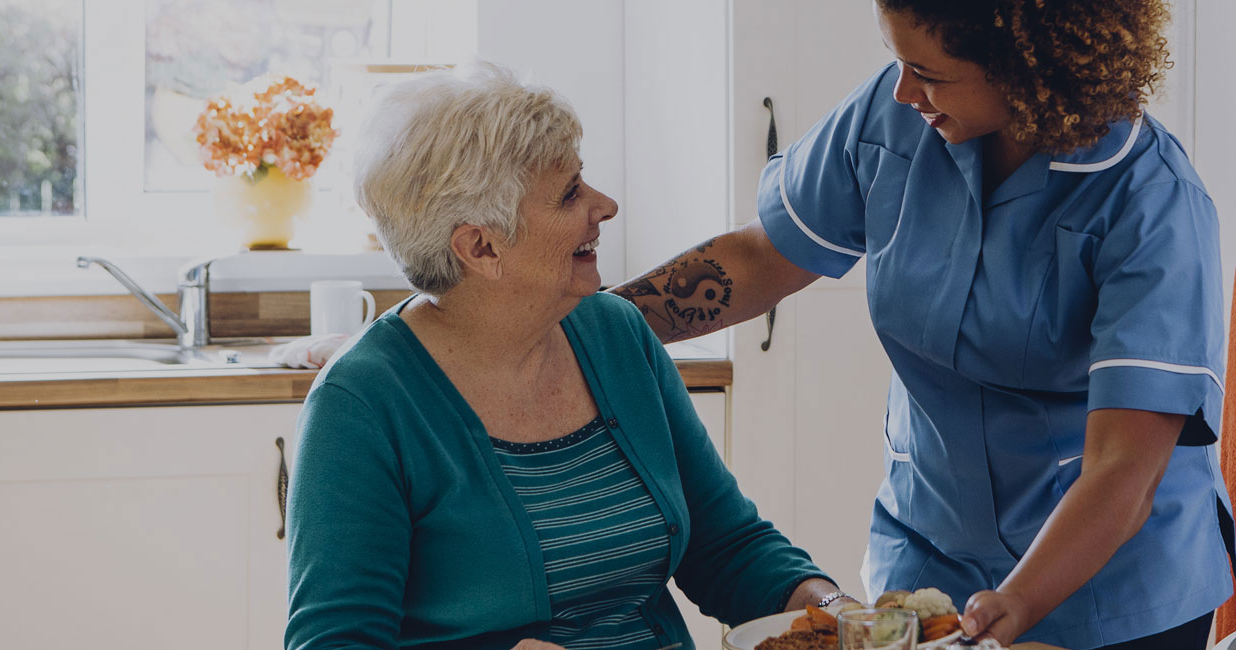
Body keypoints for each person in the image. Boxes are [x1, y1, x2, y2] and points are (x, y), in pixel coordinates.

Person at [611, 2, 1233, 649]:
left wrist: (1019, 600)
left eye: (928, 73)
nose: (902, 90)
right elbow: (761, 256)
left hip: (1110, 589)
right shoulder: (895, 116)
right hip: (929, 561)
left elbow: (1123, 467)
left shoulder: (1151, 199)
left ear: (1025, 67)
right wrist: (596, 320)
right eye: (898, 60)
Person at [286, 61, 848, 650]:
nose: (605, 206)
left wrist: (836, 612)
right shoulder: (360, 406)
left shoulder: (616, 334)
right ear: (481, 246)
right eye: (570, 194)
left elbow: (726, 546)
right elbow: (333, 641)